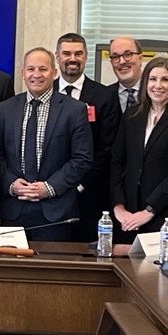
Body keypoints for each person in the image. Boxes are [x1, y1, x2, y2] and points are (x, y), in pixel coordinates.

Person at [0, 48, 92, 241]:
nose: (36, 75)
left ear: (54, 73)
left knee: (52, 270)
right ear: (23, 73)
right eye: (30, 69)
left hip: (56, 213)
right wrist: (11, 184)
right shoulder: (5, 109)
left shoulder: (74, 109)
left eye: (43, 69)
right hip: (13, 210)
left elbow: (82, 159)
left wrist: (49, 187)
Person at [110, 57, 168, 242]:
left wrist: (149, 210)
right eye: (152, 79)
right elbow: (117, 161)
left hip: (165, 216)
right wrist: (118, 206)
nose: (158, 85)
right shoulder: (132, 115)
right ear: (145, 83)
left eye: (165, 80)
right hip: (128, 215)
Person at [54, 33, 122, 242]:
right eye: (66, 53)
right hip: (49, 195)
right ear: (57, 57)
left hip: (88, 194)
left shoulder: (105, 96)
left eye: (78, 53)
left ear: (86, 57)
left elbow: (107, 148)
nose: (72, 58)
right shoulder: (44, 92)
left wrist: (78, 183)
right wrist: (53, 184)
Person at [107, 36, 143, 113]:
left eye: (127, 54)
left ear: (140, 58)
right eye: (115, 57)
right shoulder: (104, 96)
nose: (122, 61)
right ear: (111, 63)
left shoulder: (156, 93)